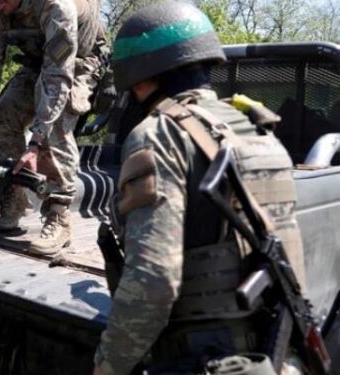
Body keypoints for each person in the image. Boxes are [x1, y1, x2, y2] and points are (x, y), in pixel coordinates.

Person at [92, 2, 306, 374]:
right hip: (278, 357)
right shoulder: (256, 130)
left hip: (202, 359)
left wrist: (108, 367)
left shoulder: (159, 135)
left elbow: (153, 284)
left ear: (141, 79)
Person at [0, 0, 103, 255]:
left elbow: (57, 78)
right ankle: (16, 196)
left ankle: (59, 214)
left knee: (55, 123)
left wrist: (35, 143)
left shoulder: (57, 8)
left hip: (78, 66)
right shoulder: (1, 15)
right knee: (4, 114)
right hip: (37, 65)